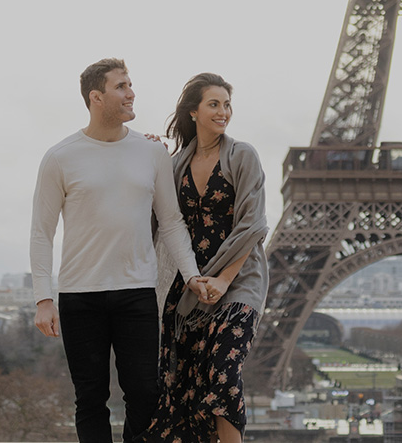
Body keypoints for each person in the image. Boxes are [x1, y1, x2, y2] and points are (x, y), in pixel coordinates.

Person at [29, 58, 207, 443]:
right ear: (96, 97)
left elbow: (171, 221)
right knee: (90, 399)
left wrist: (191, 273)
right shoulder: (60, 157)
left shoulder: (152, 152)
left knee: (145, 393)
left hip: (137, 292)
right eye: (121, 86)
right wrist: (43, 298)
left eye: (130, 84)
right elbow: (41, 232)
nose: (131, 93)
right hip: (80, 294)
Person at [138, 72, 269, 443]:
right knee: (186, 388)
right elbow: (157, 219)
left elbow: (252, 225)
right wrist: (145, 154)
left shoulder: (242, 155)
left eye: (227, 104)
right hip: (192, 287)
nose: (223, 111)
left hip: (237, 281)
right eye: (214, 104)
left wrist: (224, 280)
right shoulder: (175, 165)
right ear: (193, 111)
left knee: (223, 372)